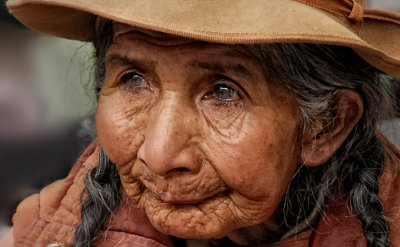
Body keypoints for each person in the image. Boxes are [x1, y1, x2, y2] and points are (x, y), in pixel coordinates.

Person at [2, 0, 400, 246]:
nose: (159, 155)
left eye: (224, 91)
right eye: (134, 80)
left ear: (327, 125)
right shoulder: (42, 231)